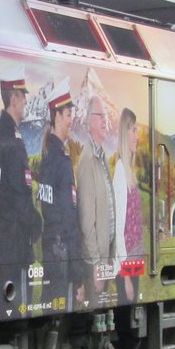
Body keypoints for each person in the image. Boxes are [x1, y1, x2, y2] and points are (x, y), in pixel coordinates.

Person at [0, 75, 42, 320]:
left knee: (8, 311)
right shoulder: (9, 137)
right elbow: (17, 192)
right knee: (17, 313)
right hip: (15, 241)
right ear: (14, 97)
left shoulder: (0, 132)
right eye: (23, 95)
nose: (27, 100)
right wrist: (34, 221)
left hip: (7, 240)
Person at [36, 87, 85, 310]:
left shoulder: (47, 157)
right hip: (62, 254)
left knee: (48, 309)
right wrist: (78, 275)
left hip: (51, 252)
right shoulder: (61, 160)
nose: (71, 122)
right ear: (57, 116)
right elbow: (68, 219)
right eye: (68, 116)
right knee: (59, 313)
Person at [76, 92, 115, 308]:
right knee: (94, 310)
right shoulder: (88, 159)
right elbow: (86, 222)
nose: (105, 121)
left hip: (104, 258)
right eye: (100, 116)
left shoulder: (101, 158)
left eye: (106, 116)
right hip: (95, 264)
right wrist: (97, 266)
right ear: (90, 121)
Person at [112, 108, 143, 302]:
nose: (137, 136)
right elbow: (119, 228)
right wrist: (125, 278)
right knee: (127, 308)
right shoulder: (121, 172)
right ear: (125, 133)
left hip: (135, 257)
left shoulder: (129, 171)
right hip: (128, 262)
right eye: (133, 130)